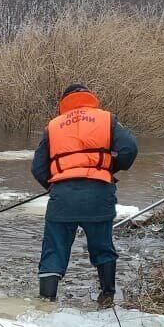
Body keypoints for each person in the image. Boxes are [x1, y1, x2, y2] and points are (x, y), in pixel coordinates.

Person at [31, 84, 139, 307]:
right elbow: (129, 149)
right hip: (99, 194)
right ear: (90, 98)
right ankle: (107, 298)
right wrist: (108, 169)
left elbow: (38, 168)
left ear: (64, 102)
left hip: (63, 197)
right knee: (102, 246)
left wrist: (53, 186)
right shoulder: (106, 120)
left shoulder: (53, 126)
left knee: (54, 250)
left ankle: (45, 303)